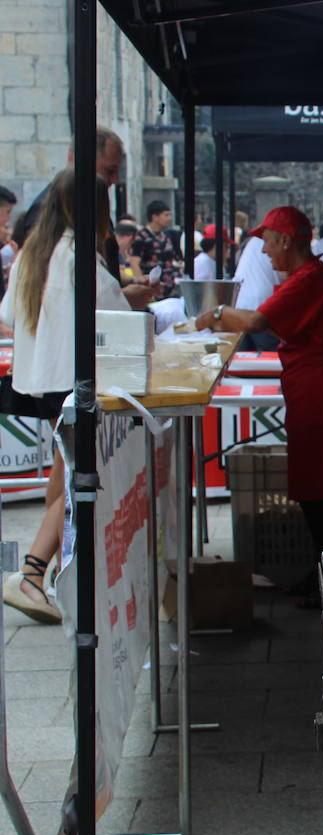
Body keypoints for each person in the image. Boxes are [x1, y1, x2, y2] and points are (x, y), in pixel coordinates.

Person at [0, 170, 131, 622]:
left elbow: (8, 314)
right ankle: (33, 573)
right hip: (73, 384)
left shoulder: (34, 253)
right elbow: (119, 318)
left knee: (65, 473)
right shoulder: (78, 257)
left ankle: (50, 571)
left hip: (41, 381)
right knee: (76, 479)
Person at [195, 206, 323, 569]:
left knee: (319, 492)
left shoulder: (309, 278)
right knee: (317, 489)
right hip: (314, 389)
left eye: (268, 243)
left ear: (286, 240)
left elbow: (256, 320)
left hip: (320, 393)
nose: (265, 251)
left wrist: (217, 313)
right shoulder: (310, 276)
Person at [232, 231, 280, 350]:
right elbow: (285, 277)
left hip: (239, 306)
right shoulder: (275, 242)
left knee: (243, 362)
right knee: (268, 362)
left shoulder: (254, 241)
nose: (264, 250)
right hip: (261, 309)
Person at [132, 199, 183, 297]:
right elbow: (134, 262)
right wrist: (142, 286)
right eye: (166, 215)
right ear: (155, 217)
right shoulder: (142, 236)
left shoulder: (166, 235)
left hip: (169, 289)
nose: (169, 218)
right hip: (153, 290)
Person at [114, 220, 142, 285]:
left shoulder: (119, 252)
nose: (129, 248)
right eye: (131, 244)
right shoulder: (111, 250)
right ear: (129, 238)